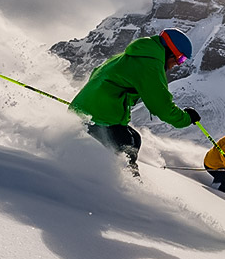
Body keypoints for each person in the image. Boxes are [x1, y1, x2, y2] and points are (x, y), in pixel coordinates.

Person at [69, 28, 200, 174]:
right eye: (180, 58)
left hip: (88, 108)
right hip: (98, 115)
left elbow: (97, 72)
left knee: (135, 139)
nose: (179, 64)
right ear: (170, 51)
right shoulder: (150, 64)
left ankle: (119, 176)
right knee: (126, 146)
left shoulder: (137, 53)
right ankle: (117, 185)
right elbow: (161, 106)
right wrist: (186, 118)